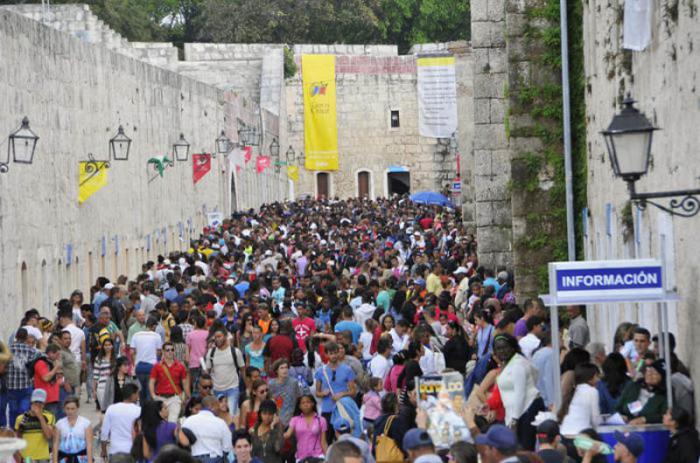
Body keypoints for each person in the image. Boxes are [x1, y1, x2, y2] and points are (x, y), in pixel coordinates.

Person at [493, 334, 544, 451]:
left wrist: (514, 420)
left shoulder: (517, 365)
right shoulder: (508, 363)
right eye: (498, 349)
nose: (502, 351)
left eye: (505, 347)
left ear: (512, 347)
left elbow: (520, 394)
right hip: (519, 412)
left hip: (526, 410)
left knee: (524, 449)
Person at [3, 328, 38, 428]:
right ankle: (22, 430)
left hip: (11, 386)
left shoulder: (7, 349)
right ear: (26, 338)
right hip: (26, 385)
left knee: (13, 410)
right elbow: (34, 367)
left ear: (16, 337)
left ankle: (13, 430)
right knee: (24, 410)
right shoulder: (31, 350)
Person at [182, 395, 234, 463]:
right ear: (211, 406)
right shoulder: (220, 422)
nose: (219, 408)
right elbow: (227, 446)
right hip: (214, 459)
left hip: (194, 459)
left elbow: (182, 441)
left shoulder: (188, 421)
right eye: (217, 405)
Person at [206, 328, 245, 417]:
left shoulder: (235, 352)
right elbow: (207, 371)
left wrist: (248, 387)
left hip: (232, 388)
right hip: (216, 389)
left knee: (231, 415)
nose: (217, 339)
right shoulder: (211, 352)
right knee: (218, 416)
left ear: (225, 337)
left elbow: (243, 369)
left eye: (219, 336)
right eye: (215, 337)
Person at [149, 341, 190, 422]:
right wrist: (153, 396)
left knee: (172, 421)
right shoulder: (157, 366)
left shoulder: (180, 366)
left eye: (172, 350)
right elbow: (151, 382)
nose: (170, 352)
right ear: (163, 352)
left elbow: (184, 383)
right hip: (160, 398)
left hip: (174, 398)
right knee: (160, 422)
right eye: (167, 350)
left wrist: (187, 397)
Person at [617, 359, 667, 424]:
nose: (650, 374)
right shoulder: (633, 386)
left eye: (655, 373)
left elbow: (665, 415)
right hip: (626, 426)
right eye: (649, 370)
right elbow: (618, 407)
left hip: (649, 428)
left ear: (662, 378)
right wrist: (621, 416)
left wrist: (645, 419)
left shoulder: (664, 394)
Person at [100, 383, 141, 460]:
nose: (138, 396)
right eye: (137, 394)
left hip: (115, 451)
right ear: (133, 395)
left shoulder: (111, 409)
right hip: (132, 451)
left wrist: (104, 450)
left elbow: (104, 432)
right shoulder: (138, 410)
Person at [559, 363, 602, 437]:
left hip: (563, 433)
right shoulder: (592, 391)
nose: (598, 379)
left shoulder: (574, 390)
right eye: (597, 376)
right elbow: (595, 420)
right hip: (580, 436)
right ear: (590, 378)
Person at [15, 389, 55, 463]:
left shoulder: (49, 416)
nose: (38, 404)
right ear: (31, 402)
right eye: (36, 402)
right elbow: (18, 439)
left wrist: (39, 416)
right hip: (27, 458)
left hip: (43, 457)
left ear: (44, 403)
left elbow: (48, 436)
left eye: (40, 402)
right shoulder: (20, 418)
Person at [283, 394, 328, 461]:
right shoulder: (295, 420)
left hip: (318, 456)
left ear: (313, 404)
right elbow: (287, 435)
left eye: (308, 402)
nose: (306, 405)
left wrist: (328, 459)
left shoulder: (321, 420)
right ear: (299, 406)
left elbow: (323, 442)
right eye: (303, 403)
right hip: (301, 457)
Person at [130, 317, 163, 404]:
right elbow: (159, 352)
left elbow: (132, 352)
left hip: (139, 367)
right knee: (150, 392)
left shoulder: (136, 335)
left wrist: (135, 363)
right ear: (154, 326)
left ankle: (142, 409)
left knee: (141, 393)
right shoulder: (157, 336)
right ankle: (149, 410)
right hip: (152, 368)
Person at [52, 396, 93, 463]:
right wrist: (55, 461)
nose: (70, 411)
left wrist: (90, 461)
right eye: (67, 408)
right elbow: (55, 444)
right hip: (64, 459)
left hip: (81, 459)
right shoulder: (59, 424)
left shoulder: (86, 423)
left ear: (77, 408)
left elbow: (89, 444)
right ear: (64, 409)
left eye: (72, 409)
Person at [268, 358, 302, 426]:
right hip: (276, 419)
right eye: (282, 368)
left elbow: (299, 398)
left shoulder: (294, 382)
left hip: (292, 418)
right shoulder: (271, 384)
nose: (285, 370)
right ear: (276, 370)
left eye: (286, 367)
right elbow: (270, 401)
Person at [35, 344, 63, 418]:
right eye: (57, 354)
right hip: (45, 399)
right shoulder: (41, 363)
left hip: (53, 398)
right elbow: (46, 378)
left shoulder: (51, 363)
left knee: (52, 420)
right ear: (50, 353)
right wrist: (56, 367)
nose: (58, 357)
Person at [93, 338, 116, 412]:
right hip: (102, 387)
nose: (107, 347)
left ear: (112, 346)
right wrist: (94, 390)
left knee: (113, 410)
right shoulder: (98, 359)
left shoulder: (116, 358)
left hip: (114, 387)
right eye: (105, 345)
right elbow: (95, 375)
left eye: (109, 345)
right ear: (103, 346)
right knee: (105, 410)